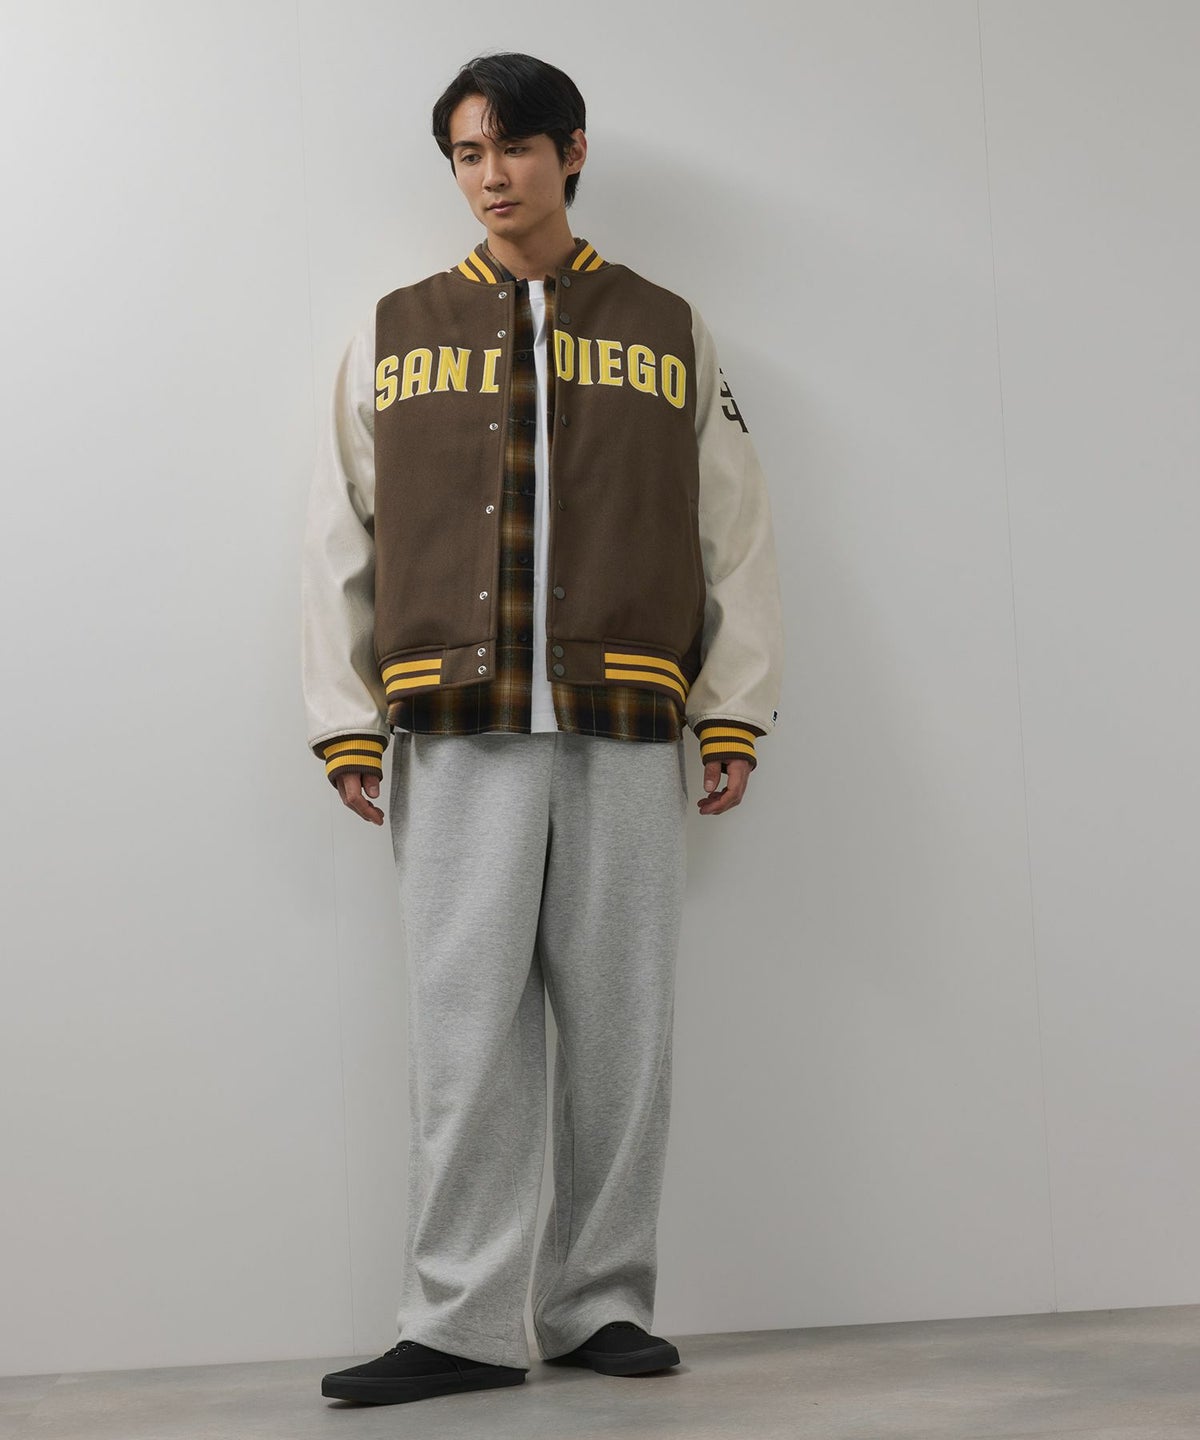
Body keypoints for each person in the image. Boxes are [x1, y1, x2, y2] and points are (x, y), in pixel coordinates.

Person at [301, 51, 783, 1409]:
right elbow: (338, 537)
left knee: (624, 1027)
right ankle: (459, 1322)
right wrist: (344, 721)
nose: (491, 176)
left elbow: (736, 530)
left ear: (572, 151)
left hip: (624, 716)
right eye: (467, 153)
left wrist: (735, 708)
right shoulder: (392, 333)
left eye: (514, 147)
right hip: (455, 724)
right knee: (467, 1033)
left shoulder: (668, 329)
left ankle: (600, 1304)